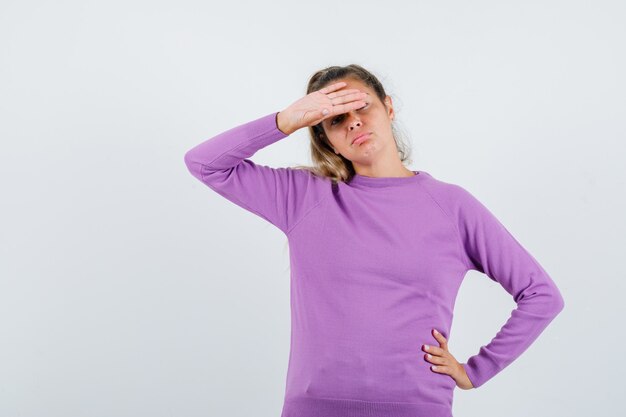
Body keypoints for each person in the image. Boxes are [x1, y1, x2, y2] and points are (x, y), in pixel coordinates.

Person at [184, 64, 565, 417]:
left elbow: (541, 295)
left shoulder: (452, 206)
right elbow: (205, 163)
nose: (353, 123)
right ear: (327, 139)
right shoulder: (302, 197)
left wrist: (475, 371)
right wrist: (285, 121)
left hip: (416, 406)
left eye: (361, 107)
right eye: (335, 119)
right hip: (314, 407)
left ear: (389, 107)